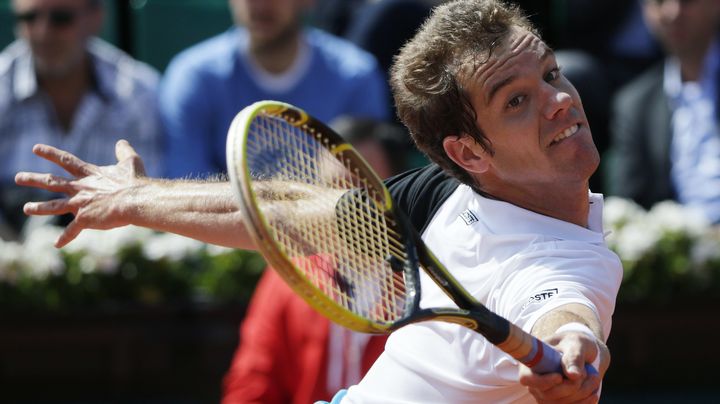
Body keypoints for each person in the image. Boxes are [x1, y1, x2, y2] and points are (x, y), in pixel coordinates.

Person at [15, 0, 622, 402]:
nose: (559, 99)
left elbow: (568, 315)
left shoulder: (572, 262)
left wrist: (575, 351)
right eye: (515, 99)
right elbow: (279, 212)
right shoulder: (445, 195)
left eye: (549, 73)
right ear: (469, 155)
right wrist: (139, 197)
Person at [221, 117, 406, 404]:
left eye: (359, 192)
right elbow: (252, 382)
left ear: (398, 190)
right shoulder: (287, 276)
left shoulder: (429, 279)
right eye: (330, 189)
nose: (341, 207)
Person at [160, 0, 390, 179]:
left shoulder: (356, 75)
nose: (260, 5)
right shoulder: (192, 77)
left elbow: (365, 188)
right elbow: (186, 182)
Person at [0, 0, 163, 237]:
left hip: (119, 263)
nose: (42, 32)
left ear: (96, 18)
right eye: (29, 18)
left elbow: (150, 207)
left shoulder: (137, 92)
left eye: (61, 18)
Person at [606, 0, 720, 224]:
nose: (672, 12)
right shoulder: (635, 104)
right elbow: (628, 204)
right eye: (659, 2)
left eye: (687, 1)